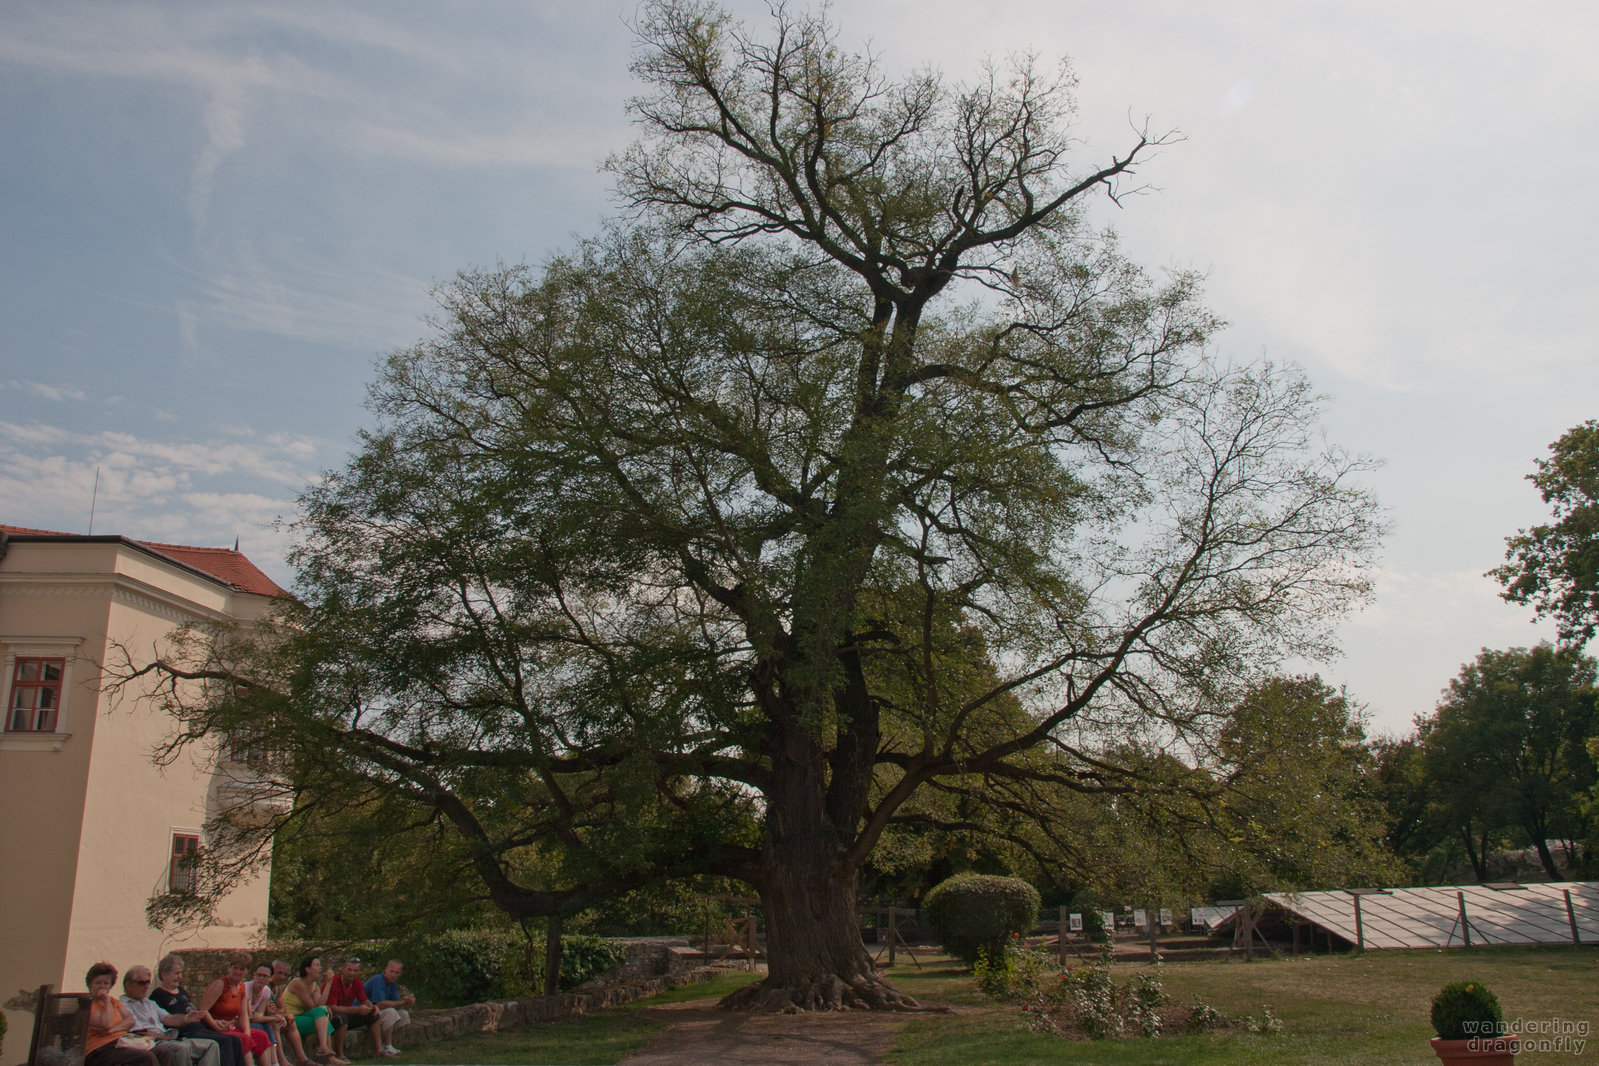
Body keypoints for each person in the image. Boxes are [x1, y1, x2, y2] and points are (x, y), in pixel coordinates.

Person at [151, 954, 245, 1066]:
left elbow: (197, 1012)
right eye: (176, 973)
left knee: (235, 1041)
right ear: (164, 975)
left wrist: (215, 1022)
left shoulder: (181, 991)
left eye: (181, 973)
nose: (180, 977)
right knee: (225, 1042)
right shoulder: (158, 995)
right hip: (187, 1033)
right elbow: (162, 1020)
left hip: (200, 1029)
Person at [120, 965, 221, 1066]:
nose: (146, 986)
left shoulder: (148, 1003)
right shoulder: (123, 1005)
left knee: (211, 1045)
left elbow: (168, 1018)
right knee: (181, 1049)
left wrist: (186, 1018)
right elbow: (140, 1032)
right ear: (128, 985)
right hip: (152, 1043)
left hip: (168, 1039)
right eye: (142, 983)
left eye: (148, 982)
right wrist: (165, 1038)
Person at [199, 953, 275, 1066]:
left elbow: (244, 1015)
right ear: (230, 968)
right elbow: (203, 1010)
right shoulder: (220, 984)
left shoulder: (242, 987)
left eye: (242, 969)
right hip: (214, 1027)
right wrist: (215, 1025)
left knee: (261, 1036)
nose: (238, 972)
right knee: (243, 1039)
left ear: (247, 971)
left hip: (231, 1027)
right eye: (235, 968)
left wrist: (247, 1033)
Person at [85, 962, 159, 1066]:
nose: (102, 986)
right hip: (99, 1049)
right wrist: (106, 1000)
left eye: (106, 983)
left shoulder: (114, 1002)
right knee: (146, 1058)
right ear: (90, 985)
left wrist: (114, 1030)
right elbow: (107, 1024)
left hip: (120, 1042)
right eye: (98, 983)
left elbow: (130, 1020)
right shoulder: (88, 1005)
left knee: (163, 1053)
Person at [280, 956, 347, 1066]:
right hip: (290, 1018)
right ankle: (327, 1054)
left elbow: (320, 1004)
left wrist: (329, 983)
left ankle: (326, 1052)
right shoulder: (297, 983)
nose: (320, 968)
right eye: (317, 965)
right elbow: (312, 1006)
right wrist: (325, 1009)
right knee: (323, 1015)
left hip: (302, 1017)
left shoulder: (315, 987)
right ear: (308, 969)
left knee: (323, 1015)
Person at [323, 959, 377, 1061]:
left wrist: (372, 1007)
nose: (352, 973)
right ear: (343, 969)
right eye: (349, 970)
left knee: (373, 1015)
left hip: (346, 1014)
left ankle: (380, 1050)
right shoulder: (335, 981)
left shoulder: (356, 982)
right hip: (329, 1017)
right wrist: (356, 1010)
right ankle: (340, 1055)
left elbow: (364, 1000)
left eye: (355, 971)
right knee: (341, 1019)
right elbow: (331, 1008)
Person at [360, 961, 414, 1058]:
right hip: (364, 1014)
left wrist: (407, 1001)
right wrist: (401, 1003)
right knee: (390, 1012)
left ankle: (388, 1043)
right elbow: (380, 1003)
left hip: (377, 1014)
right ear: (386, 970)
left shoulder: (393, 984)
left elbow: (396, 1004)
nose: (393, 975)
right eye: (391, 971)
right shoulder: (378, 979)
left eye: (396, 973)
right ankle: (387, 1046)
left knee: (404, 1014)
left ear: (400, 974)